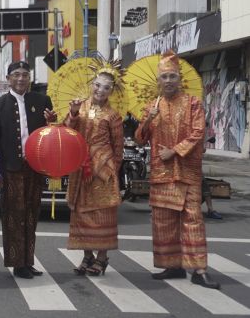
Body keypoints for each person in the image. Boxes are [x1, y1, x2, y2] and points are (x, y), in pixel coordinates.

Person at [135, 50, 220, 289]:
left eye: (173, 76)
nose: (169, 81)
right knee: (163, 221)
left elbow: (198, 133)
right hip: (161, 173)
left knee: (193, 219)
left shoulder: (193, 103)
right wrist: (148, 120)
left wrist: (174, 150)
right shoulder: (152, 106)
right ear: (158, 81)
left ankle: (199, 269)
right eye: (164, 77)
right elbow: (140, 139)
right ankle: (172, 265)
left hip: (187, 171)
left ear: (179, 78)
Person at [0, 61, 57, 279]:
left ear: (30, 78)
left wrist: (52, 123)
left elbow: (49, 134)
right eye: (16, 75)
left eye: (25, 75)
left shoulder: (41, 100)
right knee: (13, 216)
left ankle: (28, 260)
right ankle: (17, 262)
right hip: (11, 169)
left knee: (31, 214)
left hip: (34, 166)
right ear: (8, 78)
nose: (20, 79)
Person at [64, 60, 124, 276]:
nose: (100, 90)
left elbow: (118, 147)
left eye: (106, 87)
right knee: (81, 214)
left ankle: (102, 258)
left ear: (111, 91)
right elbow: (67, 133)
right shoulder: (79, 106)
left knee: (102, 215)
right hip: (80, 168)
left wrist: (112, 171)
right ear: (92, 84)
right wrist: (72, 113)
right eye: (97, 85)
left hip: (103, 171)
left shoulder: (114, 115)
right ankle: (87, 256)